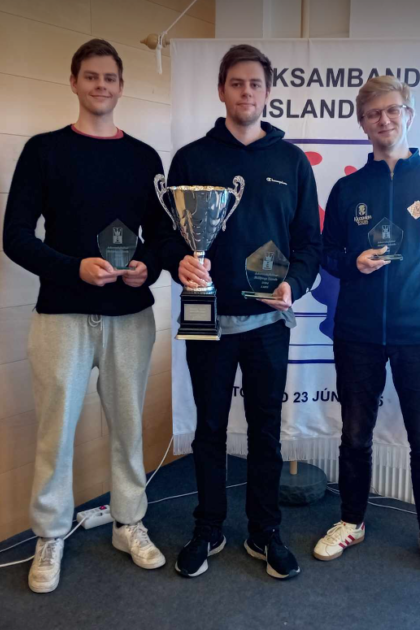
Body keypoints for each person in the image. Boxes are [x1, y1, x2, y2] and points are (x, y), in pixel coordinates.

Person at [3, 38, 167, 594]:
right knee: (55, 435)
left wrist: (149, 267)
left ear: (121, 86)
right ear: (73, 82)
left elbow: (163, 236)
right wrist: (72, 268)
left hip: (130, 317)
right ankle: (50, 534)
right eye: (91, 76)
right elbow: (16, 238)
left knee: (128, 430)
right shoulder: (43, 150)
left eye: (110, 78)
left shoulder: (144, 158)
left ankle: (129, 522)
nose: (101, 85)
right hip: (61, 317)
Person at [163, 44, 321, 580]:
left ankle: (264, 531)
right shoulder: (192, 158)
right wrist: (179, 262)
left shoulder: (291, 161)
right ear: (221, 90)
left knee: (265, 432)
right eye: (236, 83)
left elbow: (310, 242)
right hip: (207, 318)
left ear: (268, 92)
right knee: (208, 429)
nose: (246, 92)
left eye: (255, 83)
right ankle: (209, 528)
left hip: (268, 325)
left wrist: (295, 284)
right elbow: (168, 236)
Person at [316, 76, 420, 581]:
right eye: (372, 114)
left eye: (392, 110)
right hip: (357, 333)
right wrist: (352, 263)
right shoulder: (347, 189)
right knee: (354, 436)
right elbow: (326, 255)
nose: (383, 120)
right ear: (362, 123)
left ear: (408, 114)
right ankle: (351, 522)